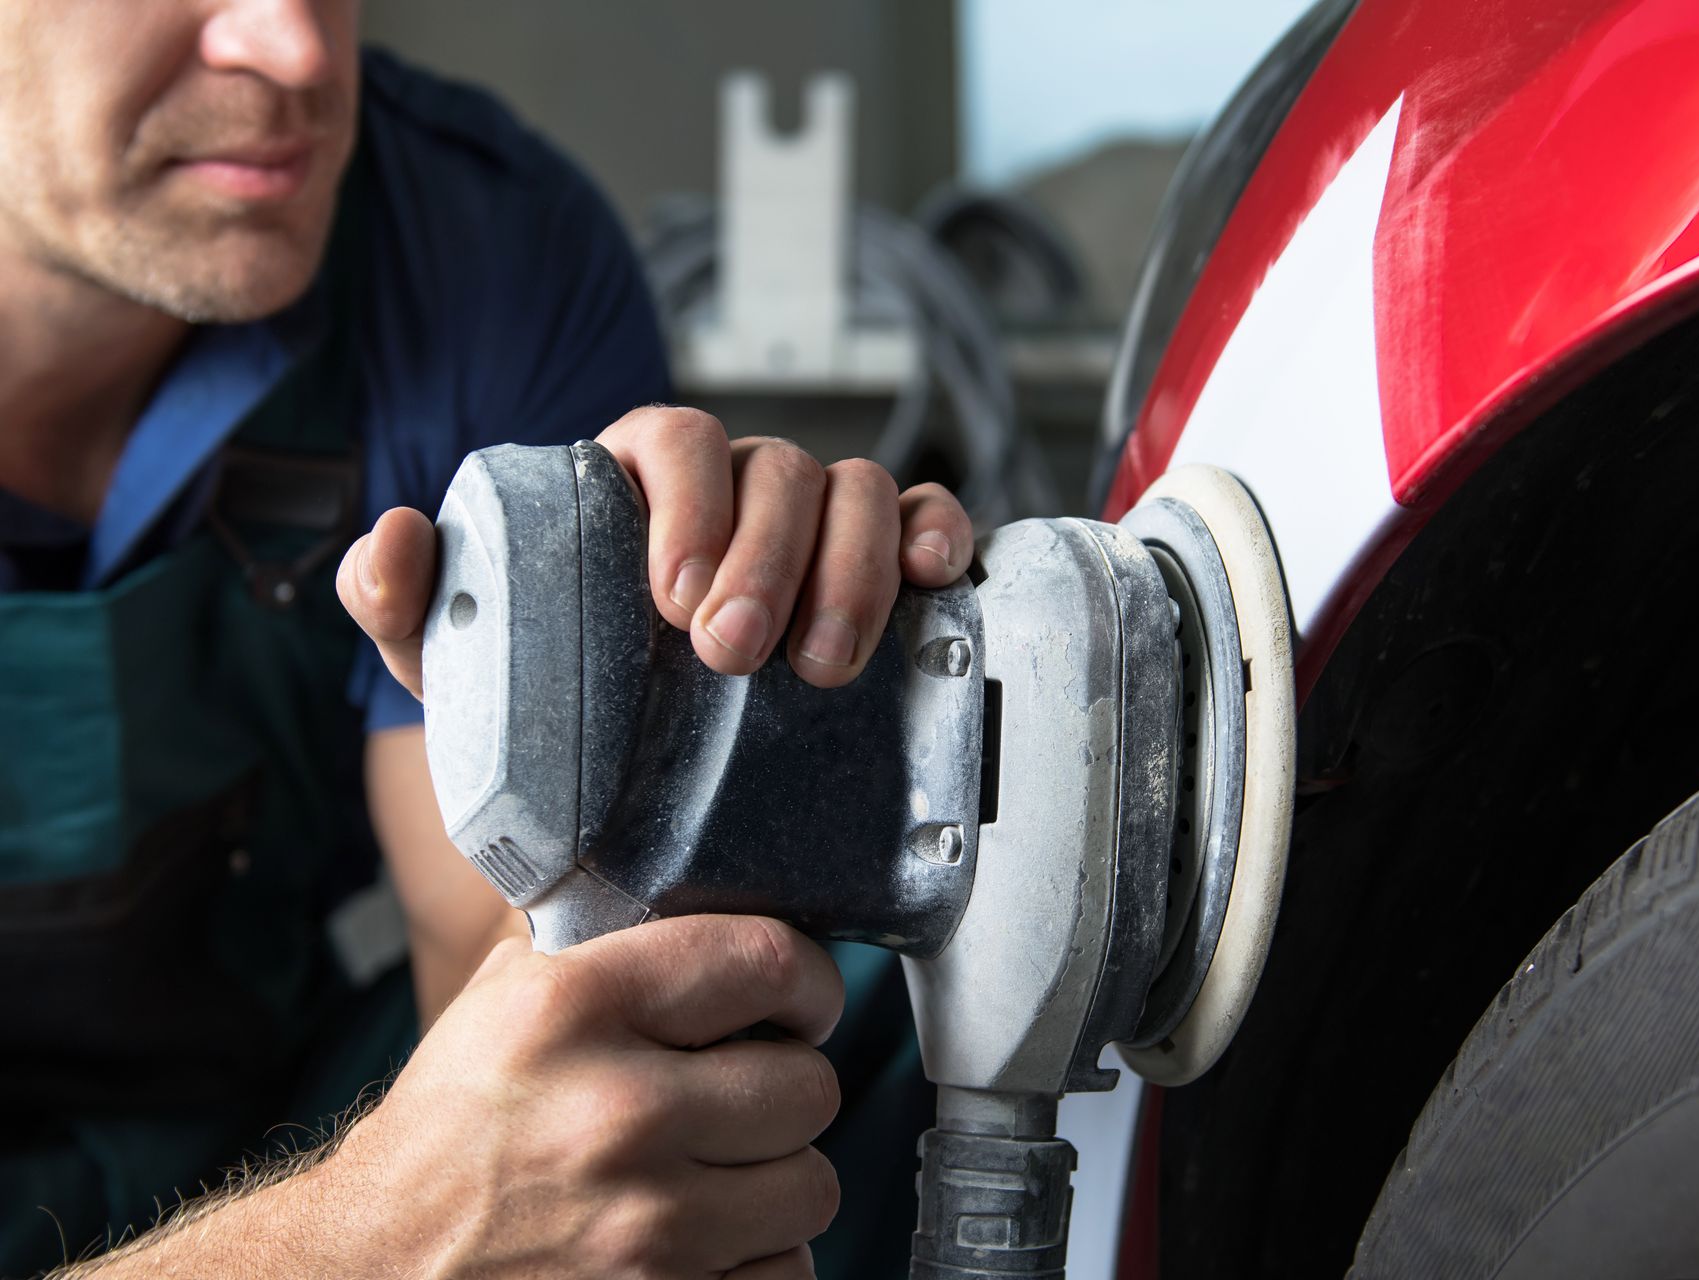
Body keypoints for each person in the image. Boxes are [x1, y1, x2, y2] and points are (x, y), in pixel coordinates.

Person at [0, 2, 974, 1277]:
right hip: (298, 1214)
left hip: (270, 1124)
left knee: (818, 981)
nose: (295, 50)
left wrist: (693, 730)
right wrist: (360, 1244)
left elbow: (512, 1000)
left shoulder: (479, 252)